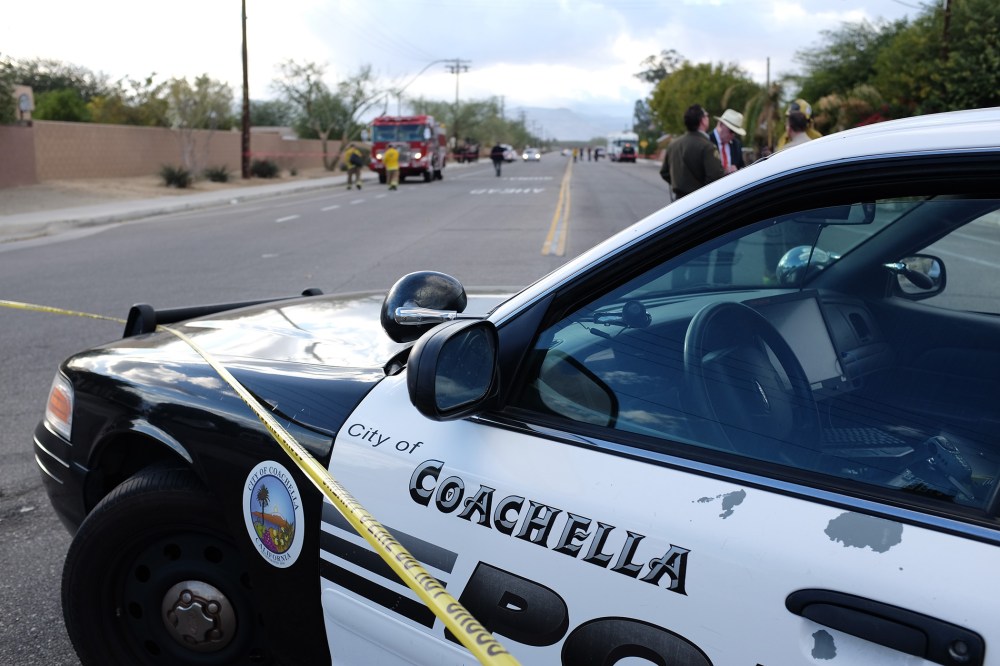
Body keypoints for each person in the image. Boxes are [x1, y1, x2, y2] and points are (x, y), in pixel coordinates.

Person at [659, 104, 725, 199]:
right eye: (706, 115)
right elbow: (715, 177)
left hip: (678, 200)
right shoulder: (707, 146)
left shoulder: (673, 144)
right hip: (699, 201)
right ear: (702, 120)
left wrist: (680, 184)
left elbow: (665, 172)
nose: (708, 118)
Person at [709, 109, 746, 174]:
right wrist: (724, 172)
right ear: (721, 124)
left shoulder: (736, 144)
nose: (733, 135)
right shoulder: (707, 141)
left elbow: (742, 166)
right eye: (731, 131)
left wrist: (737, 170)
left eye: (735, 132)